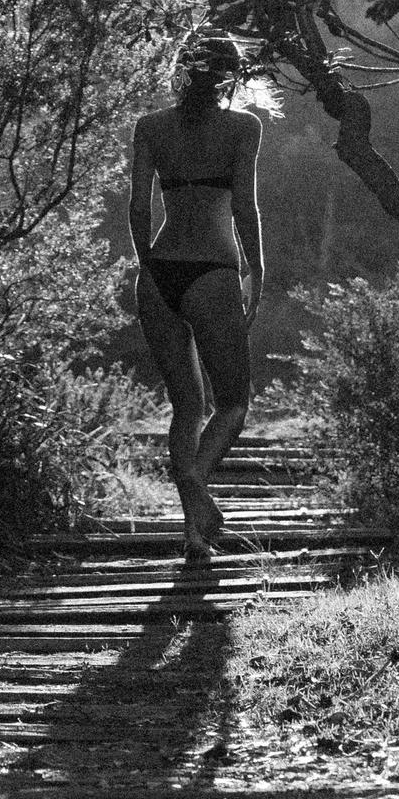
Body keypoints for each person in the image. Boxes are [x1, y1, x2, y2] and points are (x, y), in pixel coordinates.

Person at [129, 30, 264, 563]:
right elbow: (244, 209)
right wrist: (257, 269)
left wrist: (150, 268)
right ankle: (195, 485)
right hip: (212, 271)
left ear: (182, 69)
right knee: (232, 403)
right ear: (232, 75)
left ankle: (194, 535)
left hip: (158, 269)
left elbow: (139, 210)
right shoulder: (243, 128)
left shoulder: (151, 127)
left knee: (186, 407)